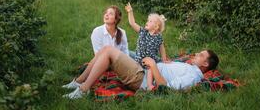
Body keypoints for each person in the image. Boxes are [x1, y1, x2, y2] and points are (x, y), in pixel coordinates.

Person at [62, 46, 219, 99]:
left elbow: (166, 88)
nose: (197, 54)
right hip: (146, 69)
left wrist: (153, 65)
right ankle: (79, 81)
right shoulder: (190, 67)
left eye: (201, 55)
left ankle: (83, 90)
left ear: (205, 63)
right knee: (106, 49)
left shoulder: (193, 76)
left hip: (142, 79)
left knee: (109, 52)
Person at [62, 5, 129, 89]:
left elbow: (125, 52)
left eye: (110, 13)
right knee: (105, 52)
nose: (106, 15)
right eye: (106, 13)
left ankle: (79, 82)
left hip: (118, 63)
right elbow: (97, 55)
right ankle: (79, 82)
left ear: (116, 19)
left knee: (136, 57)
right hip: (104, 62)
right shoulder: (97, 31)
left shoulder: (122, 33)